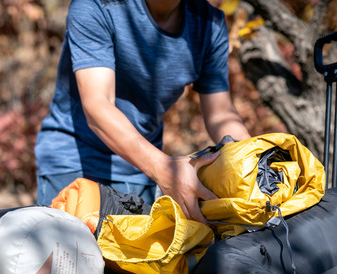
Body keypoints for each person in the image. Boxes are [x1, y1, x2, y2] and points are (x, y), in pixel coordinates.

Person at [34, 0, 251, 224]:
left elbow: (220, 115)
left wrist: (256, 159)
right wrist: (165, 169)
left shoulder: (209, 25)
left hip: (142, 171)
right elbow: (98, 105)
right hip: (75, 164)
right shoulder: (95, 6)